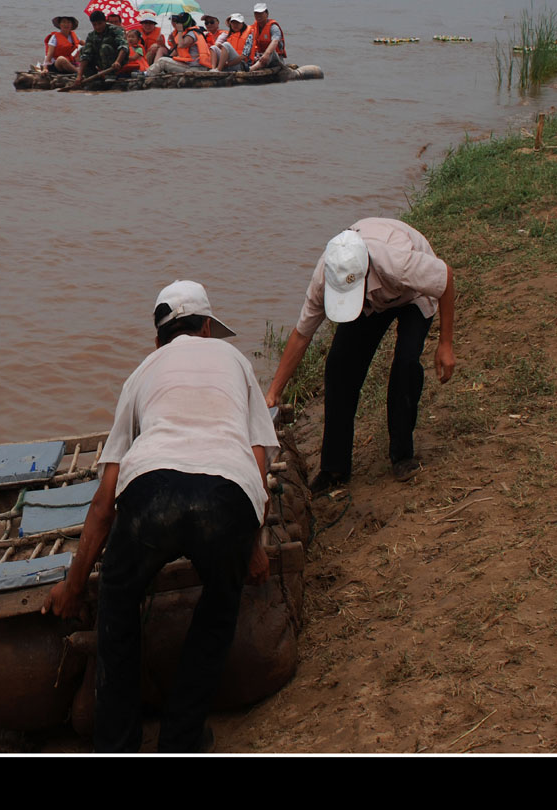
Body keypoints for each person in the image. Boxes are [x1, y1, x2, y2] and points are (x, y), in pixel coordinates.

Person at [42, 280, 278, 752]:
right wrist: (252, 546)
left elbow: (106, 497)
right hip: (227, 492)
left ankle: (117, 742)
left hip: (151, 489)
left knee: (118, 601)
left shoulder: (143, 372)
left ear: (157, 340)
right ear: (208, 328)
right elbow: (257, 463)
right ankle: (183, 738)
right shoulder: (236, 362)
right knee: (218, 608)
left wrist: (74, 585)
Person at [265, 218, 456, 490]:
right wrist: (274, 391)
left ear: (364, 275)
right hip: (371, 300)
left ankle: (402, 456)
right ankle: (334, 470)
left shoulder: (397, 263)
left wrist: (445, 344)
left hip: (412, 294)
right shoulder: (325, 275)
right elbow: (301, 335)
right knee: (338, 370)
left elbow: (445, 277)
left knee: (406, 363)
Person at [72, 10, 129, 87]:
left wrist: (117, 62)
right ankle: (93, 78)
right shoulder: (91, 35)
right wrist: (79, 76)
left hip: (117, 61)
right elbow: (86, 55)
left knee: (105, 47)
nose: (97, 27)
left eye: (100, 24)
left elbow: (124, 47)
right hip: (101, 61)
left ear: (105, 21)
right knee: (83, 50)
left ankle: (110, 76)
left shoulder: (116, 30)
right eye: (94, 25)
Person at [145, 12, 212, 75]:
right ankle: (150, 71)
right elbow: (179, 50)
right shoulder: (188, 32)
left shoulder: (192, 34)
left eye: (179, 22)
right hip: (189, 64)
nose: (176, 24)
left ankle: (146, 74)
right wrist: (171, 42)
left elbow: (181, 45)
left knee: (162, 61)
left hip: (195, 67)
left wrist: (180, 31)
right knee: (163, 59)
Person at [245, 2, 287, 71]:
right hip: (260, 56)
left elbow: (275, 41)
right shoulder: (254, 27)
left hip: (274, 58)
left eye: (261, 13)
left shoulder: (273, 27)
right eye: (256, 13)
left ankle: (251, 69)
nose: (258, 16)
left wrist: (266, 54)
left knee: (270, 52)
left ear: (267, 14)